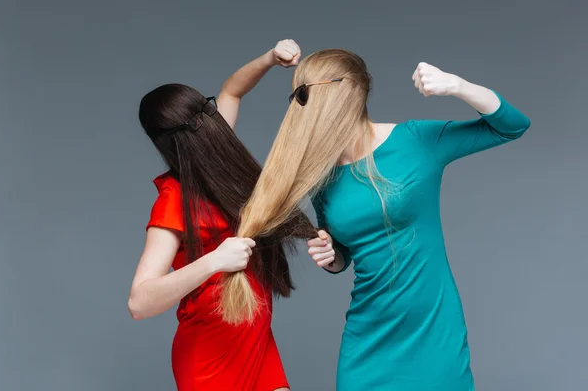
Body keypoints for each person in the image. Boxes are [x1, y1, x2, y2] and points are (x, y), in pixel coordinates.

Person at [236, 49, 531, 390]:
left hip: (432, 330)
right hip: (369, 336)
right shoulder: (322, 175)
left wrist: (458, 86)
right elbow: (344, 254)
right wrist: (331, 256)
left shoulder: (416, 141)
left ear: (350, 94)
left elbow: (512, 127)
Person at [127, 39, 315, 391]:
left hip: (255, 337)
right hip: (210, 354)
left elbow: (233, 89)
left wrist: (269, 58)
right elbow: (139, 302)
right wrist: (215, 260)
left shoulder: (214, 145)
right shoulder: (174, 201)